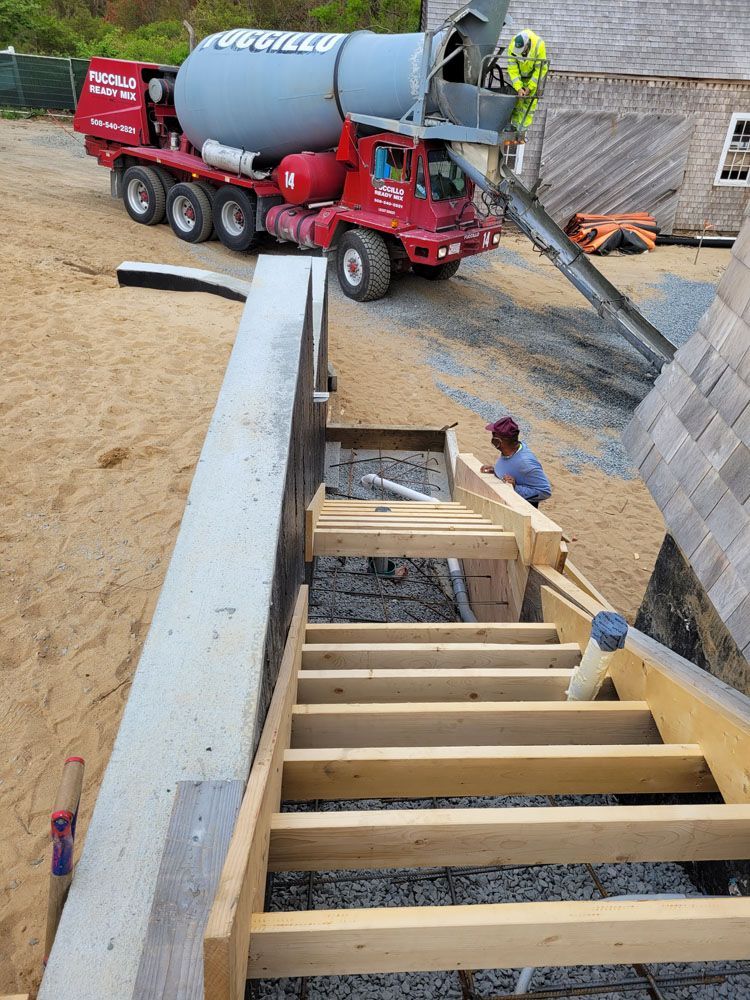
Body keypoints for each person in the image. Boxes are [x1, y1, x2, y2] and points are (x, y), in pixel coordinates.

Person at [480, 416, 551, 507]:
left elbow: (544, 491)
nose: (492, 437)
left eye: (494, 435)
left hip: (519, 511)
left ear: (502, 441)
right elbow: (513, 470)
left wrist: (515, 488)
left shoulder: (525, 463)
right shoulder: (510, 451)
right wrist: (495, 471)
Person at [506, 29, 548, 134]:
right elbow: (512, 69)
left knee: (528, 104)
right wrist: (519, 87)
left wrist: (530, 87)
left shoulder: (539, 45)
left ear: (527, 45)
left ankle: (523, 130)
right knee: (517, 102)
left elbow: (540, 69)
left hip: (532, 78)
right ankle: (514, 128)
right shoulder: (513, 45)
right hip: (519, 77)